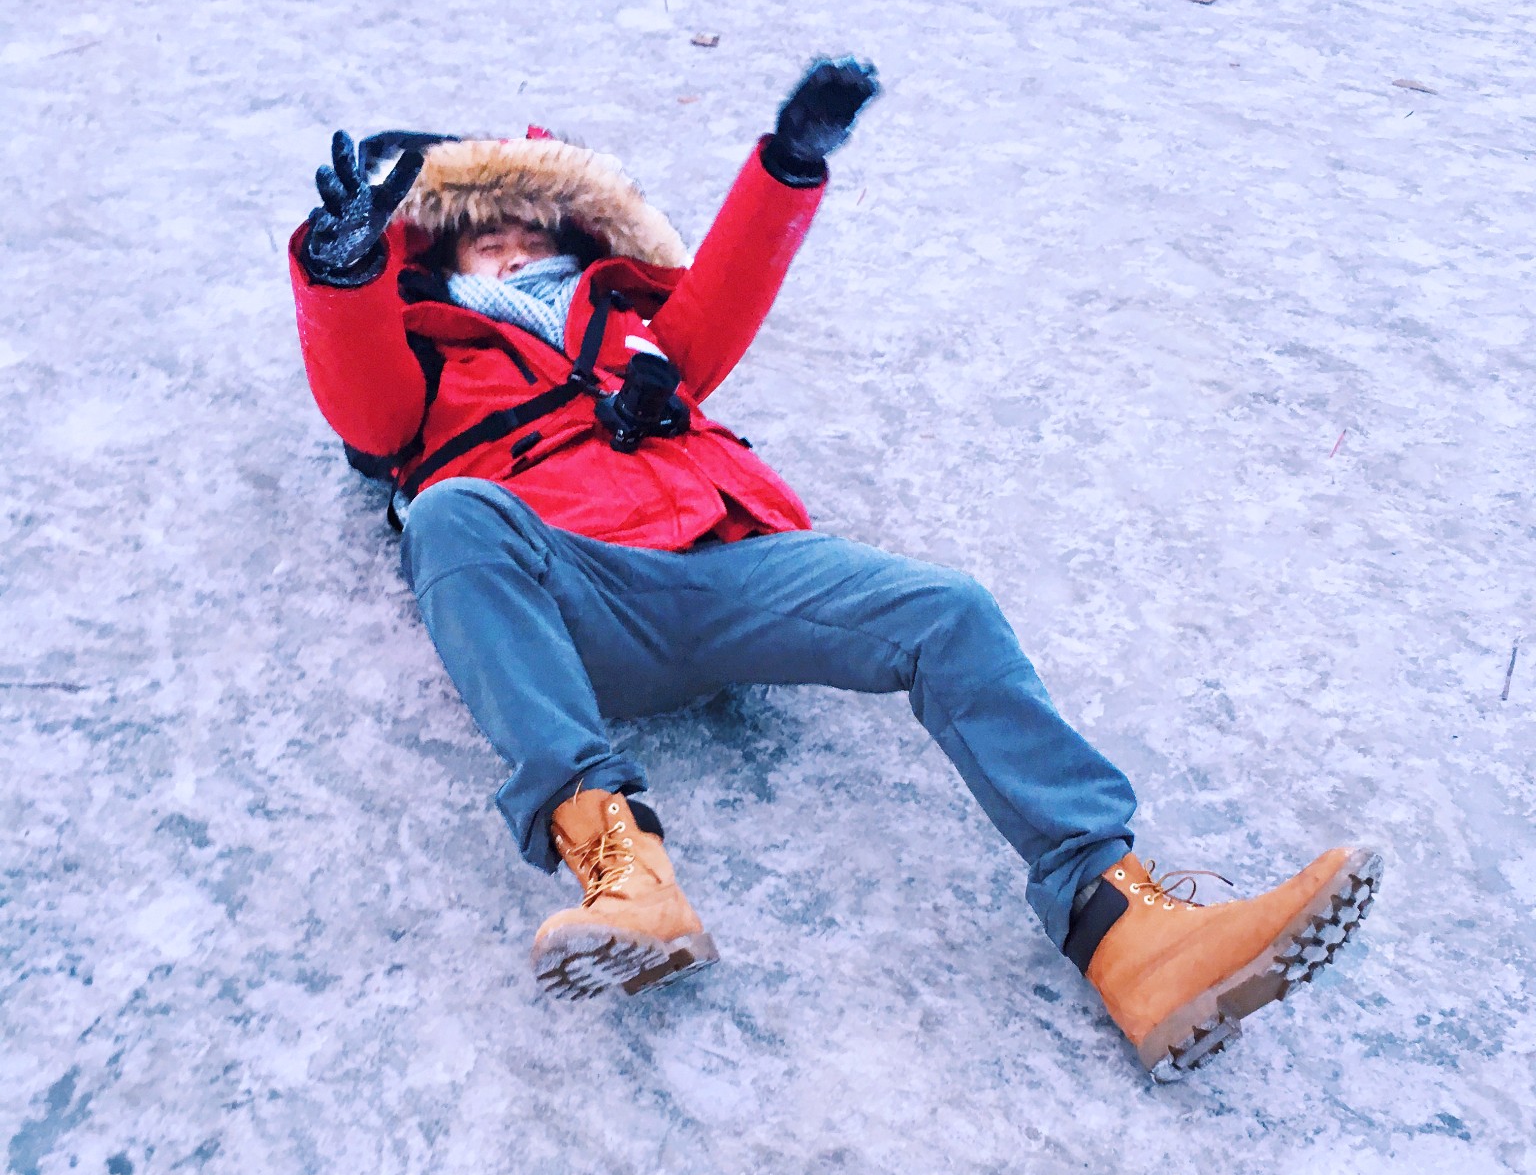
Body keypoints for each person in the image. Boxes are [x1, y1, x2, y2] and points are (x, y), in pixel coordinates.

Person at [288, 59, 1382, 1080]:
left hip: (735, 570)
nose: (514, 243)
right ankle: (623, 871)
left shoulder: (630, 319)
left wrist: (788, 162)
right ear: (434, 255)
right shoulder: (428, 353)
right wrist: (343, 271)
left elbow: (719, 304)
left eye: (531, 221)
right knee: (449, 516)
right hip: (577, 605)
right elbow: (364, 403)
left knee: (946, 610)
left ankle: (1127, 925)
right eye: (486, 235)